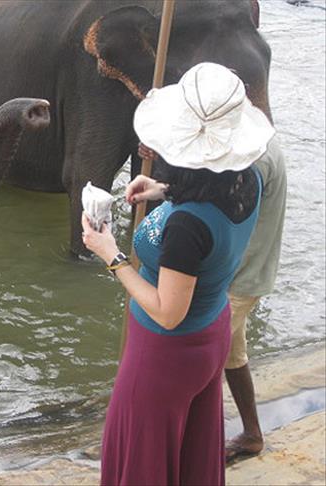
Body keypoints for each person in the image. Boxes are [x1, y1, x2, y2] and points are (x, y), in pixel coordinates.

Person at [82, 62, 274, 485]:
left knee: (142, 459)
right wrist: (164, 192)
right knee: (191, 456)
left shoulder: (186, 227)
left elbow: (168, 311)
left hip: (165, 353)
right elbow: (213, 195)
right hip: (211, 334)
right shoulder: (248, 180)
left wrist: (110, 253)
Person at [225, 137, 287, 461]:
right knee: (233, 357)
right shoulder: (262, 142)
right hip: (244, 273)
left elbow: (229, 215)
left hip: (239, 276)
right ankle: (252, 434)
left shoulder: (254, 159)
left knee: (199, 359)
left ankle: (193, 445)